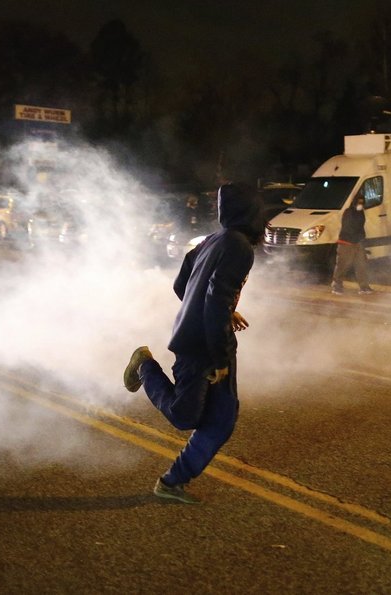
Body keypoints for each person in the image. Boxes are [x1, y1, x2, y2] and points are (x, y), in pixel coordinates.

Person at [123, 182, 264, 504]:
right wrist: (218, 360)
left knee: (221, 419)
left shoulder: (214, 240)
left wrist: (225, 310)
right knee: (184, 416)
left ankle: (173, 481)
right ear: (254, 213)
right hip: (204, 347)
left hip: (202, 338)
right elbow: (214, 300)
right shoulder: (239, 246)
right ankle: (144, 364)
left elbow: (182, 284)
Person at [330, 193, 373, 295]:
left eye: (362, 203)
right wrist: (357, 239)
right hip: (346, 242)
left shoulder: (361, 213)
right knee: (342, 265)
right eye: (359, 202)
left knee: (361, 265)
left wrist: (362, 239)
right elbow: (348, 228)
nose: (360, 204)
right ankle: (337, 286)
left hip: (358, 242)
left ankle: (364, 287)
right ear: (354, 202)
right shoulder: (348, 212)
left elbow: (360, 228)